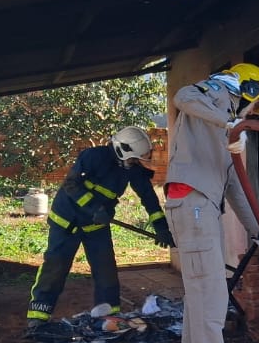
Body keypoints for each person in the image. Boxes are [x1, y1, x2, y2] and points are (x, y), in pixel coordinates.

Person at [164, 63, 259, 343]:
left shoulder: (223, 131)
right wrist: (228, 123)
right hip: (194, 204)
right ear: (249, 89)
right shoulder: (214, 95)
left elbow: (237, 189)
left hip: (200, 206)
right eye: (254, 106)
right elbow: (183, 96)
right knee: (211, 299)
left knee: (199, 299)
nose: (251, 114)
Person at [25, 125, 171, 331]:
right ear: (122, 150)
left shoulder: (131, 168)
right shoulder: (93, 157)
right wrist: (94, 207)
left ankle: (110, 317)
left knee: (106, 270)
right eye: (133, 159)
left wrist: (161, 227)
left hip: (96, 224)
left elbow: (148, 197)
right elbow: (72, 185)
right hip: (67, 222)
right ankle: (38, 315)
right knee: (55, 267)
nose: (135, 163)